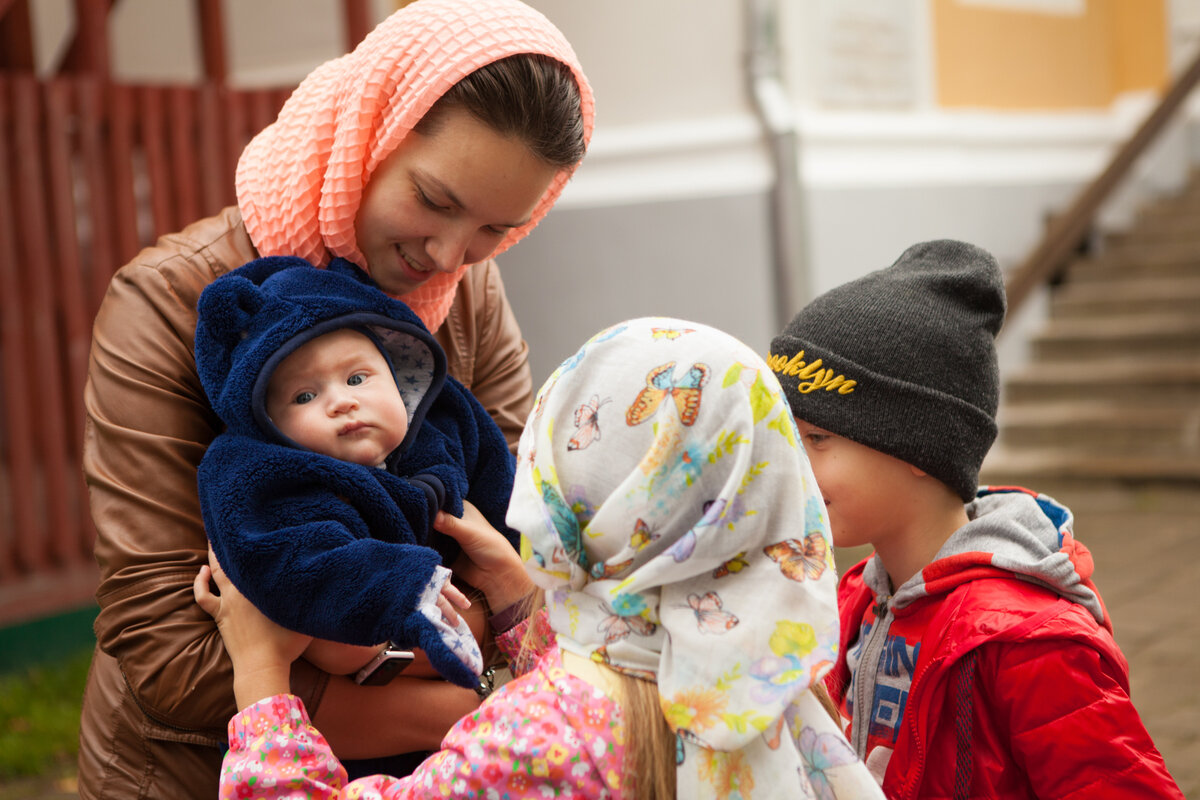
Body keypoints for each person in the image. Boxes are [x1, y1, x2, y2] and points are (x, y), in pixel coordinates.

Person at [77, 0, 594, 796]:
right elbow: (170, 651)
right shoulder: (169, 299)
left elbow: (520, 537)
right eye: (436, 200)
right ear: (369, 136)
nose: (451, 255)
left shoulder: (466, 289)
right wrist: (457, 708)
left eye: (496, 229)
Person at [196, 316, 885, 799]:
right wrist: (519, 598)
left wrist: (261, 675)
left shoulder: (550, 735)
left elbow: (574, 728)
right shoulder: (784, 674)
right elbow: (621, 665)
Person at [767, 239, 1184, 798]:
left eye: (817, 438)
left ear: (916, 447)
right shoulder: (853, 602)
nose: (793, 461)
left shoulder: (1024, 642)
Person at [194, 255, 524, 689]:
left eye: (357, 379)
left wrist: (524, 556)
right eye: (305, 395)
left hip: (487, 644)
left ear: (398, 375)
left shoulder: (445, 423)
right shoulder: (267, 478)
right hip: (349, 696)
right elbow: (290, 559)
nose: (341, 402)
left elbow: (505, 489)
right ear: (266, 423)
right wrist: (401, 586)